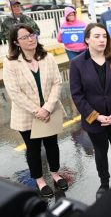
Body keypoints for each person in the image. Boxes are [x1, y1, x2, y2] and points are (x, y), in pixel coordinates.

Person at [3, 24, 68, 198]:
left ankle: (55, 174)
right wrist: (36, 110)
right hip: (27, 115)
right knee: (33, 149)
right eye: (24, 37)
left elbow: (57, 83)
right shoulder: (10, 63)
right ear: (16, 42)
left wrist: (47, 108)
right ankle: (39, 180)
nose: (30, 39)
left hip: (50, 110)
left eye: (32, 35)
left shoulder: (47, 57)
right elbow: (14, 92)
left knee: (52, 145)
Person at [69, 23, 111, 200]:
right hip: (94, 119)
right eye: (96, 36)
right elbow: (77, 94)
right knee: (100, 151)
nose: (102, 40)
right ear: (87, 39)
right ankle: (104, 183)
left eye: (104, 36)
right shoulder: (77, 63)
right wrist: (96, 116)